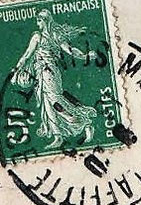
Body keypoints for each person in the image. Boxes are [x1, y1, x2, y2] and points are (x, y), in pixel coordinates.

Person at [11, 9, 99, 148]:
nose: (37, 23)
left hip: (50, 73)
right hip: (41, 74)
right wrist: (16, 70)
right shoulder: (38, 36)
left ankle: (84, 123)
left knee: (56, 102)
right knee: (47, 105)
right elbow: (27, 55)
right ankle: (58, 136)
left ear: (45, 21)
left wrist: (84, 56)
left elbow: (69, 50)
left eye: (39, 20)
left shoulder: (52, 35)